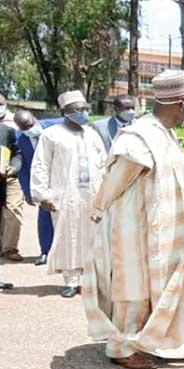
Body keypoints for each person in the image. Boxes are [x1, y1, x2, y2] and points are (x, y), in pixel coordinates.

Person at [83, 70, 184, 369]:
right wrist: (98, 214)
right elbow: (113, 184)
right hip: (134, 230)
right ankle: (121, 348)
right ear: (180, 103)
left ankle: (171, 340)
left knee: (173, 287)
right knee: (133, 289)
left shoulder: (166, 134)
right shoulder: (139, 137)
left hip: (168, 233)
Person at [31, 90, 106, 298]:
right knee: (68, 236)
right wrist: (42, 195)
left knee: (95, 237)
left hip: (93, 193)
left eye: (85, 108)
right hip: (65, 194)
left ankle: (93, 281)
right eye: (78, 109)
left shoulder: (92, 134)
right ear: (66, 112)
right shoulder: (52, 134)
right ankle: (71, 281)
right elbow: (40, 166)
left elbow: (104, 163)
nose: (83, 112)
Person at [13, 110, 63, 266]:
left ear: (35, 119)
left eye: (30, 125)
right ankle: (46, 252)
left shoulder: (58, 125)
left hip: (64, 179)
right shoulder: (21, 139)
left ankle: (67, 255)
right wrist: (28, 192)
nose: (28, 130)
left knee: (69, 218)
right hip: (43, 184)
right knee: (45, 218)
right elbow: (24, 167)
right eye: (24, 128)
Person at [0, 94, 25, 262]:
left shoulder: (8, 131)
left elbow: (18, 154)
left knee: (14, 208)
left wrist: (13, 167)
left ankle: (9, 248)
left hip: (8, 176)